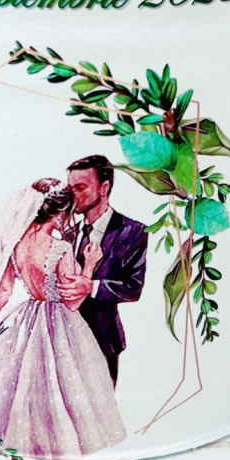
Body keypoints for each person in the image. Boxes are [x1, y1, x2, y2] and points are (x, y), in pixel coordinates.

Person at [0, 179, 127, 460]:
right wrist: (90, 264)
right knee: (60, 383)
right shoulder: (60, 248)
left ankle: (24, 444)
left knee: (23, 382)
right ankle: (58, 445)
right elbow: (72, 300)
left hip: (26, 319)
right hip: (59, 322)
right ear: (60, 212)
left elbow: (4, 289)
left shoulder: (17, 244)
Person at [60, 155, 148, 386]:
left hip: (103, 340)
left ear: (104, 188)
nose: (72, 196)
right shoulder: (68, 235)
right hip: (64, 341)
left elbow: (133, 288)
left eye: (80, 188)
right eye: (70, 188)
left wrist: (91, 287)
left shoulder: (132, 231)